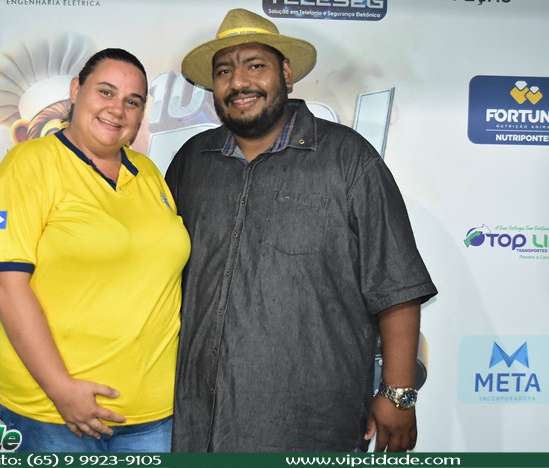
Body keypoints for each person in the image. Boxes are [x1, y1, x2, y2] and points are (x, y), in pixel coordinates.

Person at [165, 9, 438, 452]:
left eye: (255, 65)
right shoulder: (191, 162)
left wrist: (398, 393)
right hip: (198, 421)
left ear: (286, 73)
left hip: (307, 424)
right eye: (224, 71)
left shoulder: (349, 159)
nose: (239, 82)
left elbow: (396, 285)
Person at [0, 48, 190, 452]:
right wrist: (61, 389)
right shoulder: (30, 163)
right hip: (55, 412)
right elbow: (5, 283)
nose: (118, 109)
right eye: (105, 92)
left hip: (153, 412)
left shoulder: (148, 173)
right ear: (76, 90)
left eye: (133, 101)